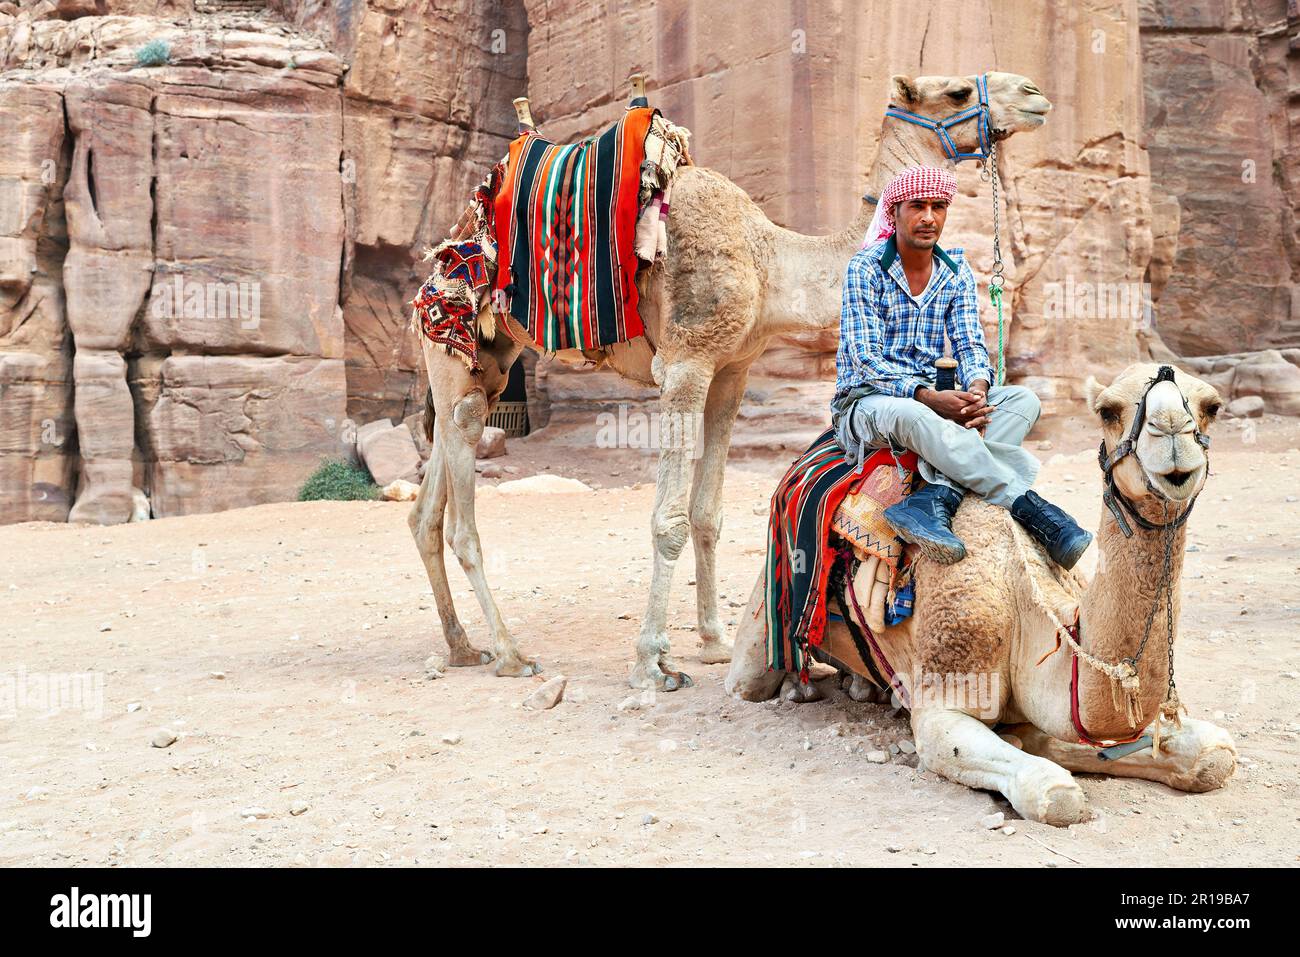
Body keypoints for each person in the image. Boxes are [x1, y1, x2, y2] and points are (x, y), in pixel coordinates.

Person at [830, 165, 1092, 569]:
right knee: (913, 414)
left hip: (938, 397)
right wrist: (929, 398)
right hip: (872, 402)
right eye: (917, 206)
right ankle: (1028, 507)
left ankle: (936, 497)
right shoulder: (866, 269)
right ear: (894, 212)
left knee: (1021, 401)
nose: (928, 217)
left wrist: (977, 392)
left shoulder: (955, 273)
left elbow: (970, 343)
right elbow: (865, 360)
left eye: (938, 207)